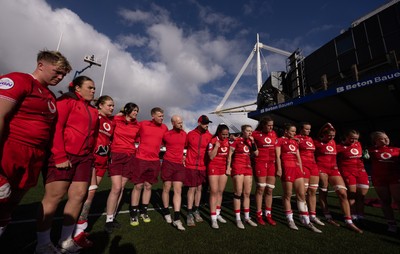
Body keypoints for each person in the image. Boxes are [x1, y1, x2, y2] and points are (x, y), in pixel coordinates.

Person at [0, 50, 71, 239]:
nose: (60, 77)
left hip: (34, 156)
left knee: (10, 205)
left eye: (63, 74)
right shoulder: (18, 80)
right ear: (41, 65)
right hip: (10, 149)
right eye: (57, 71)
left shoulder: (50, 96)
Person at [35, 75, 99, 253]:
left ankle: (65, 240)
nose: (93, 90)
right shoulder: (66, 101)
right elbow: (56, 127)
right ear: (77, 88)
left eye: (94, 88)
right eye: (90, 87)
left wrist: (90, 157)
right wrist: (60, 155)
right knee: (53, 197)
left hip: (84, 158)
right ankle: (42, 244)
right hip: (64, 155)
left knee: (79, 196)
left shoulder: (94, 111)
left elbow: (93, 136)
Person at [73, 95, 114, 245]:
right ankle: (77, 232)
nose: (112, 108)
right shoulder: (94, 116)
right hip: (91, 160)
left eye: (113, 105)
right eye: (109, 105)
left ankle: (79, 229)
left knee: (90, 194)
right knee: (86, 196)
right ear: (100, 105)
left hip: (102, 162)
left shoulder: (111, 121)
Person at [314, 122, 363, 233]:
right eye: (329, 135)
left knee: (342, 193)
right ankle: (328, 216)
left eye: (333, 136)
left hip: (334, 170)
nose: (331, 137)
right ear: (323, 134)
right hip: (321, 169)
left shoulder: (334, 143)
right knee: (323, 193)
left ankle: (349, 221)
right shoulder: (316, 143)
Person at [276, 123, 322, 233]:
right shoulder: (280, 140)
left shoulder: (295, 141)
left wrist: (301, 169)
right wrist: (279, 169)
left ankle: (306, 220)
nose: (294, 133)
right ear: (286, 131)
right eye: (292, 131)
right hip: (287, 167)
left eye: (295, 131)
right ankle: (290, 219)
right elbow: (278, 156)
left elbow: (298, 157)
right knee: (287, 194)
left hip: (297, 169)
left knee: (301, 194)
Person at [104, 102, 140, 233]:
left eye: (137, 111)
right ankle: (108, 219)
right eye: (134, 110)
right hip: (116, 154)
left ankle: (112, 217)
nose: (136, 113)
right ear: (127, 110)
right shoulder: (116, 119)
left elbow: (138, 138)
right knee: (116, 187)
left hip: (130, 156)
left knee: (122, 188)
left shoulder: (137, 125)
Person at [130, 107, 168, 226]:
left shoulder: (164, 128)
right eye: (160, 116)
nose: (162, 118)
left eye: (163, 116)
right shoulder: (143, 124)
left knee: (148, 186)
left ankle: (144, 211)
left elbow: (169, 140)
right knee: (138, 186)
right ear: (153, 116)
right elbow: (131, 130)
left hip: (155, 161)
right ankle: (133, 214)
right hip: (141, 159)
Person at [226, 124, 258, 229]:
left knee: (247, 193)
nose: (250, 132)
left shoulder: (250, 142)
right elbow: (230, 153)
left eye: (251, 131)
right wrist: (228, 167)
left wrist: (253, 142)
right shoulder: (237, 141)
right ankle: (238, 218)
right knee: (238, 193)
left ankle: (247, 217)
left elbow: (256, 153)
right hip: (238, 166)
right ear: (243, 131)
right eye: (248, 131)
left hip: (248, 167)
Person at [368, 131, 400, 233]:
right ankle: (391, 223)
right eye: (381, 138)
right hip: (379, 179)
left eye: (386, 137)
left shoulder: (397, 150)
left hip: (395, 178)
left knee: (398, 200)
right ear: (375, 141)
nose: (385, 140)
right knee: (385, 201)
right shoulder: (370, 151)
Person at [336, 129, 369, 226]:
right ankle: (353, 216)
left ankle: (361, 216)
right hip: (348, 172)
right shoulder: (339, 147)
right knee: (352, 195)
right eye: (352, 138)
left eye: (356, 139)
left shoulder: (358, 144)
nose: (354, 141)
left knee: (361, 196)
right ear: (345, 137)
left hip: (361, 171)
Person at [184, 115, 213, 227]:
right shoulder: (190, 134)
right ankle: (189, 213)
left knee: (199, 189)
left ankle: (196, 210)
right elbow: (184, 147)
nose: (207, 125)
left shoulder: (210, 136)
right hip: (191, 166)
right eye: (205, 123)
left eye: (208, 123)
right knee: (191, 189)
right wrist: (184, 157)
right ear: (199, 122)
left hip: (202, 166)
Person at [295, 122, 325, 226]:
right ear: (301, 129)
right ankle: (303, 214)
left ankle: (313, 215)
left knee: (313, 191)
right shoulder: (296, 138)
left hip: (313, 166)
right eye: (306, 129)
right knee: (303, 192)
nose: (308, 131)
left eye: (309, 129)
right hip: (303, 166)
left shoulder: (310, 139)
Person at [160, 115, 186, 231]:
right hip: (168, 163)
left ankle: (176, 218)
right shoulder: (166, 135)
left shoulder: (185, 134)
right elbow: (159, 144)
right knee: (166, 187)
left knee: (178, 190)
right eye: (179, 122)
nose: (181, 124)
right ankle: (166, 212)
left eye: (182, 122)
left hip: (179, 165)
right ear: (173, 123)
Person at [252, 116, 277, 225]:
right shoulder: (255, 134)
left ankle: (268, 214)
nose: (271, 127)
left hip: (272, 164)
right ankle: (258, 214)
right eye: (269, 125)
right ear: (263, 125)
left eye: (272, 125)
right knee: (260, 189)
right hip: (260, 163)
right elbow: (245, 140)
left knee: (270, 190)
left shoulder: (274, 134)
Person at [207, 124, 230, 229]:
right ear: (219, 133)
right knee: (214, 191)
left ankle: (217, 213)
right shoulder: (213, 141)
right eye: (223, 134)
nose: (225, 137)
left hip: (223, 168)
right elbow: (211, 157)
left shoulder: (227, 141)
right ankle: (213, 218)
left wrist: (228, 167)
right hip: (213, 167)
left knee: (220, 192)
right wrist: (216, 146)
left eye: (227, 134)